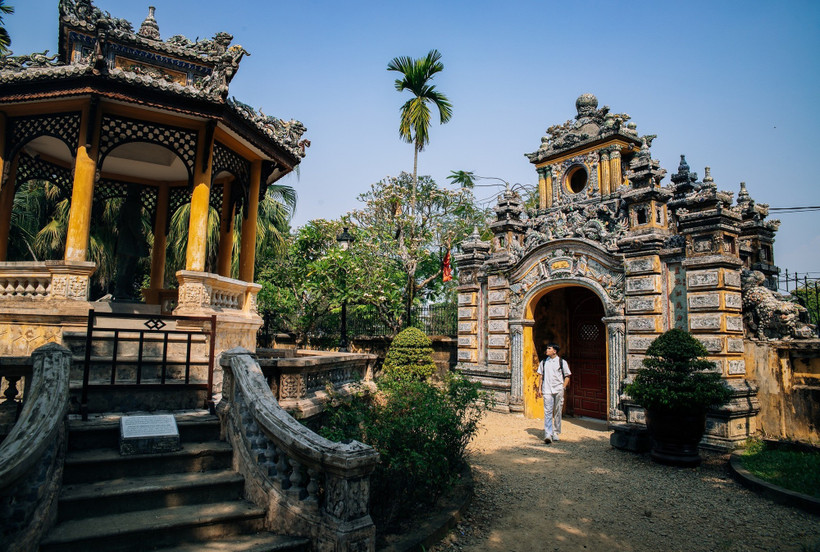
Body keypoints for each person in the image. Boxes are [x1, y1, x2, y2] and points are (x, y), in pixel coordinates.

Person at [535, 343, 571, 444]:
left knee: (558, 411)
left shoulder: (561, 362)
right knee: (547, 412)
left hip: (558, 389)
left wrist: (563, 387)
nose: (547, 350)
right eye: (547, 348)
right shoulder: (543, 362)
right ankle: (548, 433)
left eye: (549, 348)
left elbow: (567, 375)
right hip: (547, 389)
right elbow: (540, 376)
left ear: (554, 351)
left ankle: (555, 432)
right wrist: (539, 389)